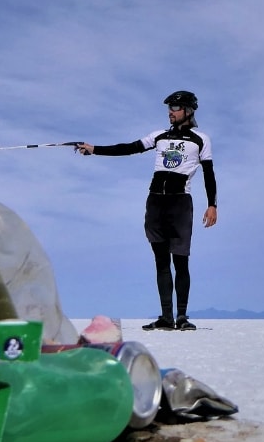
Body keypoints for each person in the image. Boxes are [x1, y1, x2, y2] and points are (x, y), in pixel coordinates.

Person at [76, 90, 217, 331]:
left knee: (181, 261)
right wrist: (94, 149)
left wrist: (212, 205)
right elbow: (128, 148)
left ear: (188, 111)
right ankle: (165, 317)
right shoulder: (158, 136)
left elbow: (209, 174)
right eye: (169, 108)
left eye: (175, 108)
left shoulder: (200, 139)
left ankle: (182, 317)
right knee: (161, 261)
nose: (170, 112)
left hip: (180, 203)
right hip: (155, 202)